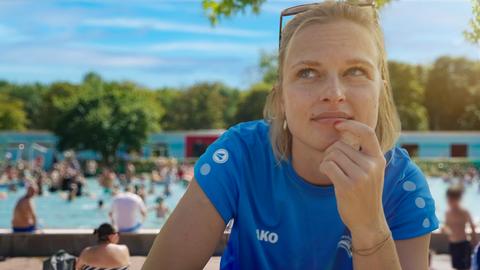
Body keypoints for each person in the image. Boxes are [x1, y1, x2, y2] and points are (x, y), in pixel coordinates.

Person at [142, 2, 438, 269]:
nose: (334, 94)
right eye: (308, 72)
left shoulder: (402, 186)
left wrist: (369, 226)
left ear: (380, 92)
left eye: (356, 71)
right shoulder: (239, 156)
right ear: (281, 97)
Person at [442, 185, 477, 270]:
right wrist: (445, 229)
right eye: (449, 199)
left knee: (465, 266)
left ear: (458, 199)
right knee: (457, 266)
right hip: (453, 243)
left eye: (453, 199)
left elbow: (472, 227)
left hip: (463, 243)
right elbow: (446, 226)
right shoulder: (448, 213)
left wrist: (475, 242)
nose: (450, 201)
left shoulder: (464, 212)